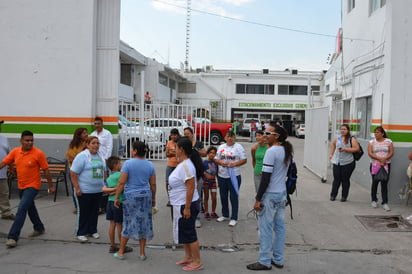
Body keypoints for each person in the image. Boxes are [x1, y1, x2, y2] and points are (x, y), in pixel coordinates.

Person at [247, 123, 293, 271]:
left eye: (268, 133)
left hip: (270, 195)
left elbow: (265, 177)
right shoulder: (287, 151)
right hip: (282, 194)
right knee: (279, 228)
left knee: (265, 228)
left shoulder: (271, 152)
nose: (265, 135)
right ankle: (278, 259)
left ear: (276, 136)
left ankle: (265, 261)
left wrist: (258, 198)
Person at [0, 130, 55, 248]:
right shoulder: (15, 152)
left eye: (31, 140)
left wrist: (51, 186)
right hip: (21, 186)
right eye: (27, 140)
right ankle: (39, 227)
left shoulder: (38, 154)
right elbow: (4, 163)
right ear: (21, 141)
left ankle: (12, 237)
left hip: (33, 186)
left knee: (21, 209)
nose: (29, 143)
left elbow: (46, 170)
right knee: (30, 208)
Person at [113, 141, 156, 261]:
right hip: (145, 196)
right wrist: (153, 199)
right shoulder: (150, 165)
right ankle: (142, 253)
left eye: (132, 149)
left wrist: (116, 197)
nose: (131, 151)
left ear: (136, 151)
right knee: (144, 223)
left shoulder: (128, 164)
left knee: (128, 222)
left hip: (131, 196)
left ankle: (121, 252)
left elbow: (121, 182)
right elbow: (153, 184)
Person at [168, 137, 204, 271]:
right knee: (183, 232)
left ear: (181, 149)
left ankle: (197, 261)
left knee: (189, 232)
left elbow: (190, 187)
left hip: (186, 204)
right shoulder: (182, 163)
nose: (174, 150)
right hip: (179, 203)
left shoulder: (186, 166)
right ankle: (188, 256)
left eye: (176, 148)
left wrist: (187, 208)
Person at [70, 136, 105, 242]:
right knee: (84, 212)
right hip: (85, 190)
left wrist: (105, 185)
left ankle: (92, 230)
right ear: (87, 144)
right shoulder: (82, 156)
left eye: (97, 143)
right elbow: (73, 172)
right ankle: (81, 232)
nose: (96, 145)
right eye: (93, 143)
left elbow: (104, 170)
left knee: (94, 211)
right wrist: (77, 188)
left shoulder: (100, 155)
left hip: (98, 190)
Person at [214, 130, 247, 227]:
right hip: (222, 175)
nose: (230, 138)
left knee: (233, 197)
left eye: (232, 136)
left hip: (234, 175)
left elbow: (244, 160)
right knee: (223, 195)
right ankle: (225, 214)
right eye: (228, 136)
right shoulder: (221, 147)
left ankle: (234, 217)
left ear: (234, 138)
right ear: (225, 137)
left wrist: (234, 164)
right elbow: (216, 159)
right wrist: (221, 163)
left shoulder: (238, 147)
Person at [102, 156, 133, 254]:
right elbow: (123, 186)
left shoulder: (110, 177)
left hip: (109, 202)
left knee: (112, 224)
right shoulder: (121, 175)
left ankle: (112, 245)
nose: (121, 165)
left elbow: (105, 189)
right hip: (119, 201)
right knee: (120, 224)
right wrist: (117, 190)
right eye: (120, 163)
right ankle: (121, 245)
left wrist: (112, 191)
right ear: (115, 165)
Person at [329, 124, 359, 202]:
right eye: (341, 129)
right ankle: (333, 195)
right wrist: (331, 154)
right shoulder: (337, 138)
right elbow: (333, 144)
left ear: (348, 130)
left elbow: (356, 149)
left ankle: (344, 196)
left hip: (348, 163)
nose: (342, 130)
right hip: (337, 162)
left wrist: (345, 149)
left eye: (344, 129)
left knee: (345, 180)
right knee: (336, 179)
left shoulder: (351, 139)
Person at [367, 126, 394, 211]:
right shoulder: (372, 142)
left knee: (384, 183)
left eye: (378, 132)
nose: (376, 134)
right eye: (375, 132)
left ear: (382, 133)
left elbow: (391, 152)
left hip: (386, 164)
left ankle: (385, 202)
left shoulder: (388, 141)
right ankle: (374, 200)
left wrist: (384, 159)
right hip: (375, 165)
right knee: (375, 183)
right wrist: (379, 159)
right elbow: (370, 153)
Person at [184, 126, 206, 228]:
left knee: (198, 195)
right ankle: (187, 214)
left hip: (197, 172)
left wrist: (195, 150)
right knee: (187, 195)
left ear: (192, 134)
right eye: (184, 134)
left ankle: (197, 218)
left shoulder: (198, 143)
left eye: (187, 134)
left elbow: (204, 153)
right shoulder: (183, 143)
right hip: (187, 173)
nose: (186, 136)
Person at [91, 117, 113, 214]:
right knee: (97, 181)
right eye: (95, 124)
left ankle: (104, 205)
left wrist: (106, 158)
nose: (97, 125)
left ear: (102, 124)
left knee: (105, 182)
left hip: (104, 161)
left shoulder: (107, 133)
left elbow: (109, 146)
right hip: (95, 162)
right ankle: (98, 205)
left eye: (98, 123)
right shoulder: (92, 135)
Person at [66, 127, 88, 214]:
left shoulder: (88, 144)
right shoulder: (73, 145)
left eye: (86, 133)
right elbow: (70, 158)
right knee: (75, 189)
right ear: (79, 136)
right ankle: (77, 206)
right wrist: (80, 161)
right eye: (84, 133)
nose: (86, 134)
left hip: (85, 171)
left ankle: (85, 206)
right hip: (74, 171)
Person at [0, 120, 15, 220]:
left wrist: (11, 168)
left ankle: (6, 213)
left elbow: (9, 155)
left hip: (2, 173)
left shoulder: (4, 138)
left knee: (4, 193)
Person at [202, 146, 219, 219]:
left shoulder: (216, 162)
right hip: (206, 181)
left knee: (214, 197)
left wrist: (218, 181)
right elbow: (201, 171)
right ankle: (206, 212)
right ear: (208, 153)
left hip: (213, 182)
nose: (212, 154)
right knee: (206, 197)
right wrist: (205, 174)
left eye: (214, 153)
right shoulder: (204, 162)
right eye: (211, 153)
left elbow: (217, 172)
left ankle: (213, 212)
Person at [165, 128, 180, 206]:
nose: (173, 136)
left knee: (178, 183)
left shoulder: (180, 143)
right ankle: (170, 199)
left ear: (178, 135)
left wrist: (173, 153)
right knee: (167, 182)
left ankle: (177, 198)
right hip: (170, 165)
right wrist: (174, 154)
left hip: (178, 166)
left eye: (175, 135)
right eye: (172, 135)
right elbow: (167, 154)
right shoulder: (169, 143)